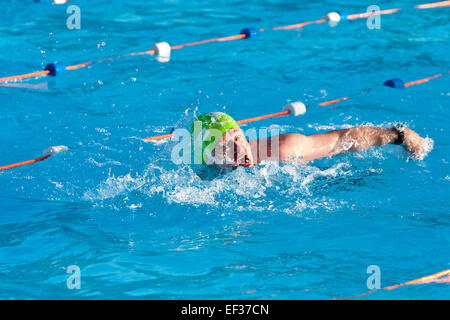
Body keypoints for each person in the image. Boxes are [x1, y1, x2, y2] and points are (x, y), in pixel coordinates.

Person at [190, 112, 429, 169]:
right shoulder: (201, 178)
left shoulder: (281, 150)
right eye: (224, 146)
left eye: (237, 136)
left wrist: (398, 135)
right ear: (209, 157)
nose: (238, 147)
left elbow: (340, 140)